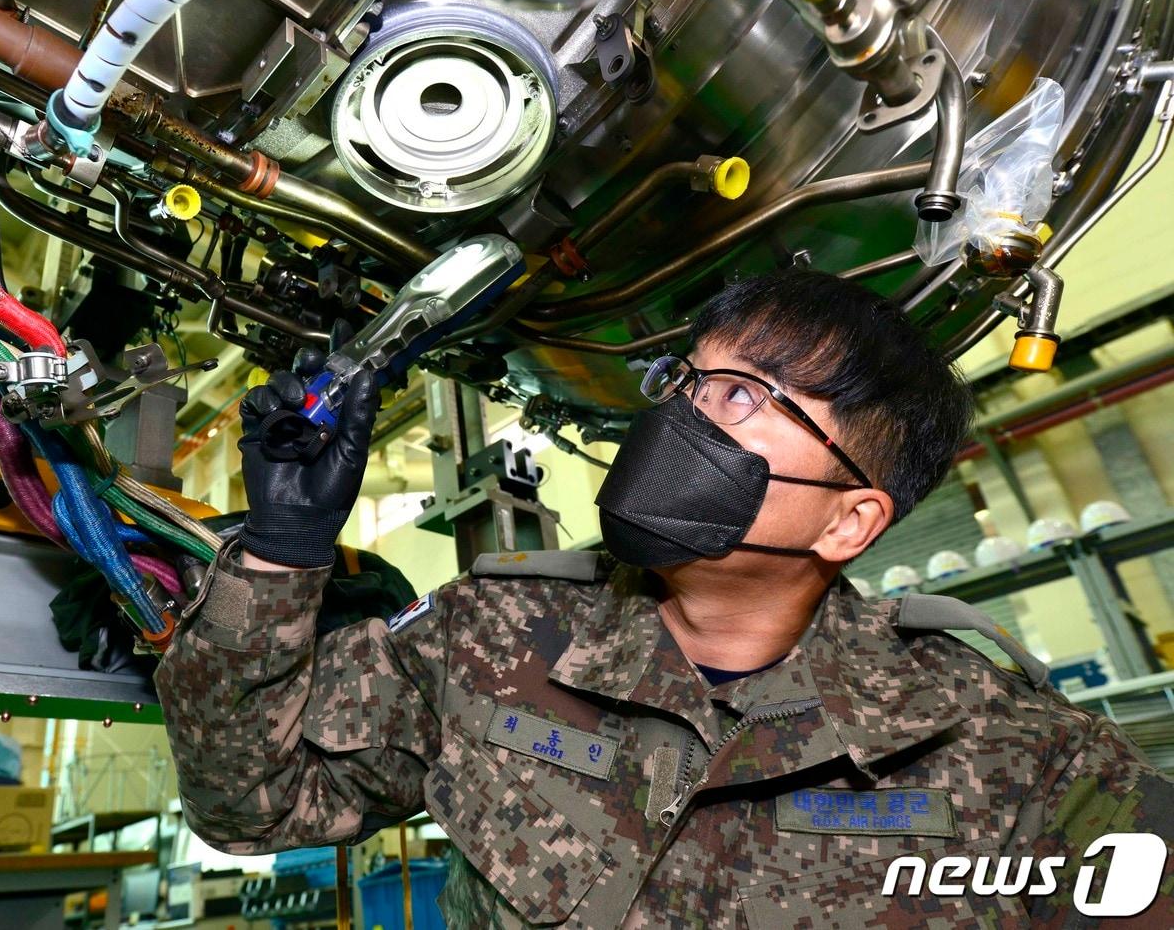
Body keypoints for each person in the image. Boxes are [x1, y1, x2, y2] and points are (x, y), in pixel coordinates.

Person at [156, 269, 1174, 927]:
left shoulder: (1012, 752)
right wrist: (281, 555)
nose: (684, 418)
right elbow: (248, 807)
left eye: (744, 399)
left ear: (847, 522)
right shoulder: (492, 638)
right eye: (686, 384)